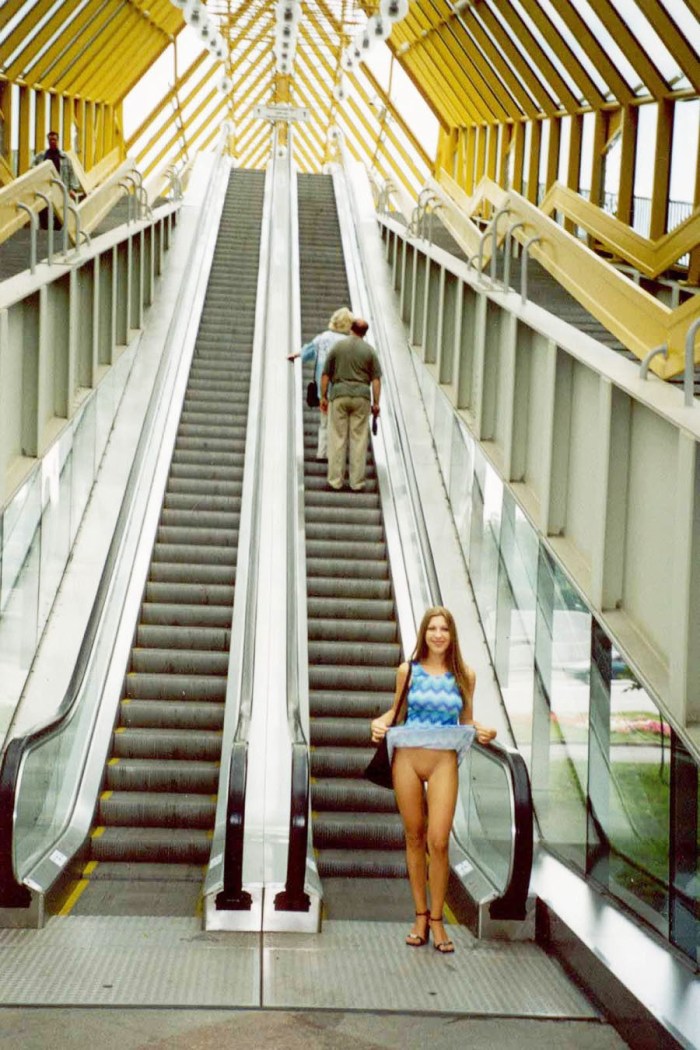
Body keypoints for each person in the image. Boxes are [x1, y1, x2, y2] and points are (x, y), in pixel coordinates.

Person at [370, 606, 497, 954]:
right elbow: (397, 712)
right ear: (424, 633)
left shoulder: (465, 675)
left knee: (438, 841)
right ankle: (421, 917)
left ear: (452, 635)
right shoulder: (407, 671)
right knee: (414, 836)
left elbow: (466, 720)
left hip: (443, 761)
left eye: (444, 629)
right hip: (407, 759)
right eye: (432, 628)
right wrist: (379, 723)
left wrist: (483, 729)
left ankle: (438, 919)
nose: (438, 635)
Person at [320, 318, 381, 492]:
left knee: (337, 438)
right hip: (361, 397)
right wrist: (376, 403)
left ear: (350, 329)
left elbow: (325, 375)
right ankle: (356, 483)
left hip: (339, 395)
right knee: (358, 440)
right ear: (364, 333)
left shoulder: (338, 347)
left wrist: (323, 396)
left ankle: (335, 481)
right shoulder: (370, 351)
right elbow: (376, 380)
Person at [288, 306, 353, 460]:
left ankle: (321, 452)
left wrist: (296, 355)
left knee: (324, 422)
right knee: (338, 423)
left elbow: (308, 351)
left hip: (323, 390)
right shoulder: (347, 343)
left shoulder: (322, 338)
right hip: (340, 389)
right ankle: (334, 454)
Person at [32, 130, 79, 229]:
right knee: (44, 214)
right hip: (45, 189)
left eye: (54, 139)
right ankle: (45, 232)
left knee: (60, 216)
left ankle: (56, 233)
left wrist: (72, 189)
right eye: (50, 140)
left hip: (60, 189)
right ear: (48, 141)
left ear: (58, 140)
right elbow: (32, 170)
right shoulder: (41, 157)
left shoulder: (65, 158)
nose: (52, 141)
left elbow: (71, 173)